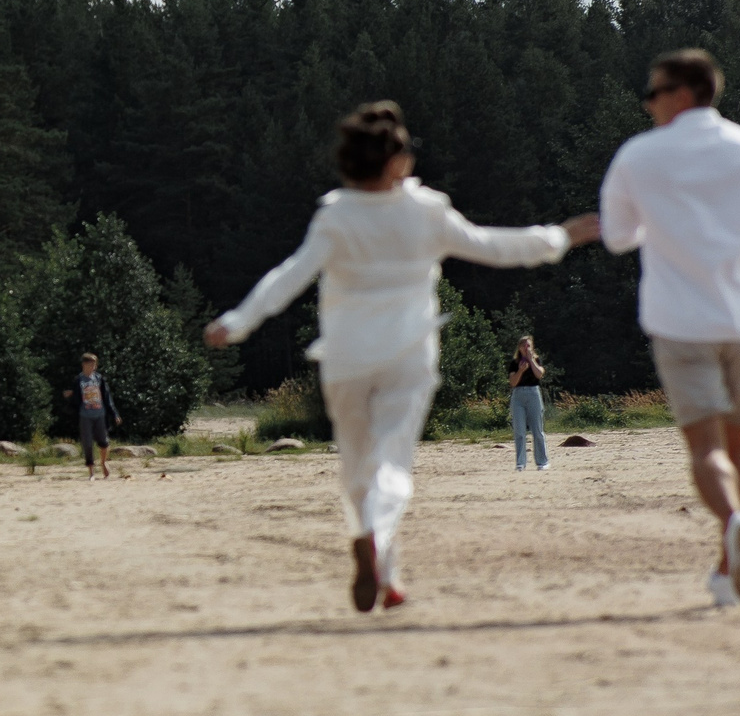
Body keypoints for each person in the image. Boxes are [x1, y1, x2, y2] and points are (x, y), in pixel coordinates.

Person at [206, 102, 600, 612]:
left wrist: (237, 321)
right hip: (407, 357)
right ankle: (375, 544)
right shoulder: (426, 210)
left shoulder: (336, 215)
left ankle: (385, 573)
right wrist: (559, 237)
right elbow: (493, 246)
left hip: (345, 359)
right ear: (396, 162)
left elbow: (288, 276)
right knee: (392, 465)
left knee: (356, 469)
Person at [599, 48, 740, 609]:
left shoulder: (639, 156)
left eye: (654, 93)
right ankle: (731, 562)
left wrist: (664, 233)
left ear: (683, 93)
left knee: (704, 448)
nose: (647, 104)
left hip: (679, 318)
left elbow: (618, 236)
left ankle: (735, 523)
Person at [70, 353, 121, 478]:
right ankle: (91, 472)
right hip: (85, 415)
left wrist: (114, 414)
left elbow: (107, 397)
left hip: (100, 414)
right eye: (90, 364)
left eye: (94, 364)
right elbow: (74, 398)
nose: (93, 366)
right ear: (84, 364)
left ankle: (103, 463)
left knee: (104, 442)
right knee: (87, 443)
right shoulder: (78, 380)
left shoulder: (99, 379)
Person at [509, 335, 549, 471]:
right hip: (518, 395)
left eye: (528, 345)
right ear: (519, 348)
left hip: (533, 394)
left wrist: (531, 361)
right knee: (519, 431)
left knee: (537, 430)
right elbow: (513, 382)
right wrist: (520, 370)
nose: (526, 348)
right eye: (523, 345)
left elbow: (539, 374)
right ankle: (520, 463)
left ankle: (542, 462)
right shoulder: (514, 363)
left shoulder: (537, 360)